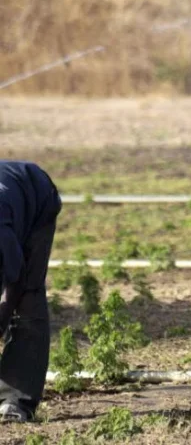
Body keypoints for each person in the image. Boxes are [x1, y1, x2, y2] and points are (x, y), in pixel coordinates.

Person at [0, 161, 62, 423]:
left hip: (36, 195)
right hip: (12, 197)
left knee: (28, 299)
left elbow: (15, 281)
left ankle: (16, 400)